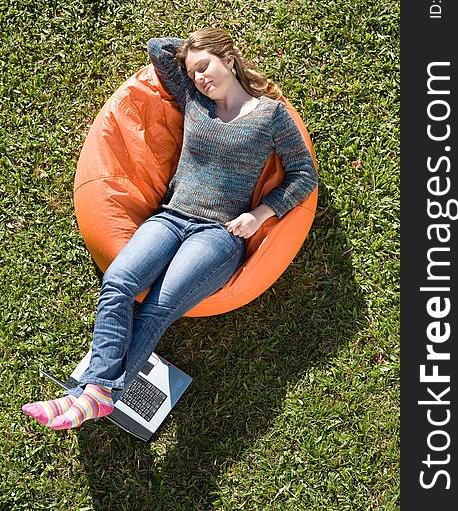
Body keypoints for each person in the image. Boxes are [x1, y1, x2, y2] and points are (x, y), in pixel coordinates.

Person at [22, 27, 318, 431]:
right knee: (118, 283)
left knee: (157, 309)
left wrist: (261, 214)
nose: (199, 78)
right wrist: (194, 54)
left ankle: (84, 396)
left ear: (230, 60)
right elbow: (158, 51)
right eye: (193, 71)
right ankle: (95, 395)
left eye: (206, 67)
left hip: (218, 235)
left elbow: (304, 175)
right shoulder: (195, 98)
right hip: (171, 216)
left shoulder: (271, 115)